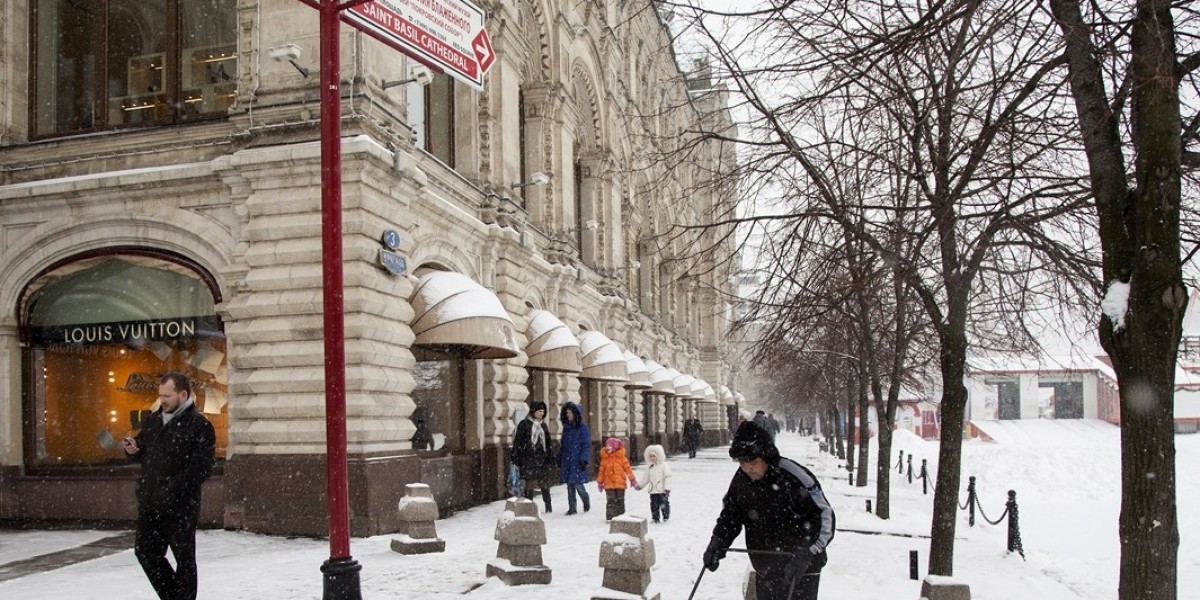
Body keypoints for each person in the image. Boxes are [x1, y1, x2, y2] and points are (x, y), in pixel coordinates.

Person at [703, 420, 836, 600]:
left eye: (753, 462)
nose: (748, 468)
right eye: (742, 462)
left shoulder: (793, 476)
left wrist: (808, 552)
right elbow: (730, 516)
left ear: (765, 456)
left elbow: (824, 516)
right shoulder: (741, 480)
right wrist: (718, 542)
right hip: (765, 568)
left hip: (801, 568)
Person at [121, 372, 216, 600]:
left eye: (167, 396)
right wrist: (133, 449)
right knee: (145, 552)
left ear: (183, 395)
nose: (162, 400)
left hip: (180, 505)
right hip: (151, 502)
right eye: (160, 395)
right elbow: (143, 450)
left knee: (184, 560)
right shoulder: (154, 420)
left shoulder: (199, 426)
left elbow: (201, 468)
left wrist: (172, 488)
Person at [512, 400, 554, 513]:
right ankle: (528, 507)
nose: (542, 413)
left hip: (541, 459)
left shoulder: (543, 425)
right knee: (529, 483)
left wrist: (550, 457)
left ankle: (548, 505)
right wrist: (516, 457)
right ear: (534, 411)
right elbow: (518, 442)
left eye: (543, 411)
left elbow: (548, 443)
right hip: (528, 458)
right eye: (540, 411)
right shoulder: (524, 424)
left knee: (543, 483)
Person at [558, 401, 592, 515]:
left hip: (577, 461)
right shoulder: (566, 428)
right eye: (567, 412)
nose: (568, 414)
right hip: (567, 461)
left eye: (570, 412)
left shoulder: (582, 427)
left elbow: (586, 444)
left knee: (578, 485)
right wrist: (559, 457)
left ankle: (586, 500)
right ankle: (572, 508)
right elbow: (563, 445)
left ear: (576, 413)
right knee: (570, 486)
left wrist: (584, 459)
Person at [596, 436, 637, 520]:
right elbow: (601, 471)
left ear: (615, 447)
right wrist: (600, 482)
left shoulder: (622, 458)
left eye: (610, 446)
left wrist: (632, 480)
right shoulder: (605, 459)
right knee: (611, 501)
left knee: (620, 501)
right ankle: (610, 518)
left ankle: (621, 517)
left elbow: (628, 470)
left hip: (620, 484)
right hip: (608, 484)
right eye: (607, 445)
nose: (608, 447)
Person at [634, 444, 672, 523]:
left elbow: (668, 477)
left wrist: (667, 488)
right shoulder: (649, 467)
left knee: (664, 504)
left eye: (654, 456)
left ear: (658, 456)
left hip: (662, 490)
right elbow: (646, 478)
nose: (652, 458)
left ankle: (666, 516)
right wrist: (640, 485)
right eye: (650, 456)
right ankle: (655, 518)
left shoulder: (664, 466)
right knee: (654, 505)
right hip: (653, 490)